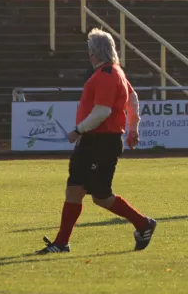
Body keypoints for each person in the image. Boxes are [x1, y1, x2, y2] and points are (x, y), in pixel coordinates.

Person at [36, 29, 156, 254]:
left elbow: (102, 111)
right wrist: (133, 128)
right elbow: (133, 98)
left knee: (100, 196)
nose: (89, 56)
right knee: (76, 190)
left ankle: (143, 223)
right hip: (97, 142)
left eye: (90, 51)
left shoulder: (106, 75)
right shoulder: (115, 72)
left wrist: (78, 130)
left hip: (99, 142)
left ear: (94, 53)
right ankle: (61, 243)